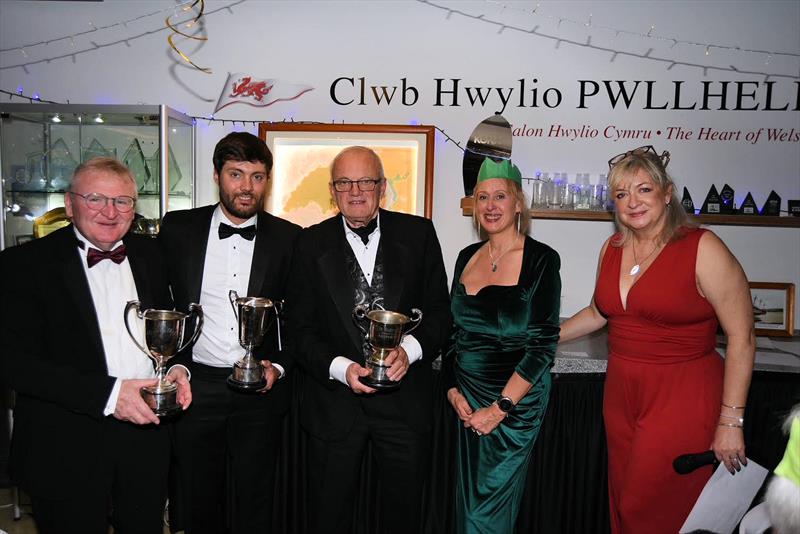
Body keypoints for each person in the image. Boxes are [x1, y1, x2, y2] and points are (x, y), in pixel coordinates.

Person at [559, 145, 755, 534]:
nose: (632, 202)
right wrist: (543, 338)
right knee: (624, 501)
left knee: (651, 507)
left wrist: (731, 420)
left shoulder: (703, 247)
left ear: (667, 194)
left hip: (682, 394)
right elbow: (601, 311)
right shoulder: (613, 248)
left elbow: (742, 336)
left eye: (643, 190)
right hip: (622, 393)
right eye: (621, 194)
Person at [0, 157, 191, 534]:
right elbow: (13, 362)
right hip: (64, 440)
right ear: (69, 205)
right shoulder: (22, 264)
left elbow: (170, 327)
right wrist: (111, 394)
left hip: (146, 436)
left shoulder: (153, 255)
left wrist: (176, 369)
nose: (110, 211)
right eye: (95, 199)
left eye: (122, 201)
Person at [286, 146, 452, 534]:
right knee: (328, 517)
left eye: (365, 181)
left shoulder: (419, 233)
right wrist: (342, 370)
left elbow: (442, 315)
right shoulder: (309, 243)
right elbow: (298, 328)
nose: (355, 190)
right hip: (334, 409)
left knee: (404, 517)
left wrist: (408, 353)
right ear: (332, 190)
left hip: (405, 408)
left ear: (382, 187)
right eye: (344, 182)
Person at [159, 132, 301, 533]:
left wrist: (280, 367)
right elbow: (160, 300)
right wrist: (174, 366)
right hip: (195, 384)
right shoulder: (178, 228)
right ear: (217, 175)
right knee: (198, 496)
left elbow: (302, 317)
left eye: (257, 177)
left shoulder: (289, 238)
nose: (246, 187)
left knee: (256, 497)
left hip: (260, 390)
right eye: (236, 174)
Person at [442, 158, 561, 534]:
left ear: (519, 204)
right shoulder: (466, 257)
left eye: (500, 196)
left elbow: (543, 345)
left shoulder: (542, 259)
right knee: (466, 508)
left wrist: (500, 408)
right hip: (466, 401)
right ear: (474, 206)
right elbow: (451, 335)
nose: (491, 206)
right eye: (482, 198)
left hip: (514, 403)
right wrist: (451, 391)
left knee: (486, 514)